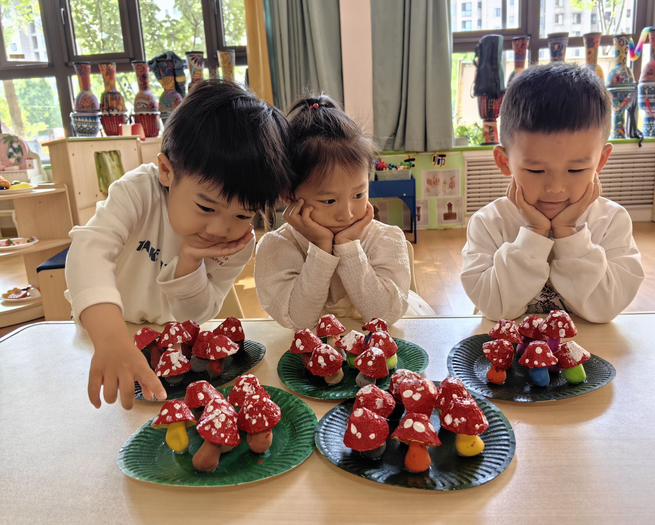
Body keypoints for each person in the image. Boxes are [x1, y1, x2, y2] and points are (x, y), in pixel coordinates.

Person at [65, 80, 292, 409]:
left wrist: (190, 262)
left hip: (174, 353)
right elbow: (89, 251)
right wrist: (110, 337)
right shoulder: (139, 192)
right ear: (167, 171)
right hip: (107, 334)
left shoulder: (238, 242)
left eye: (243, 214)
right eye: (206, 207)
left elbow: (196, 314)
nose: (220, 229)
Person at [461, 63, 644, 323]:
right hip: (511, 358)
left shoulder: (612, 222)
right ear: (504, 162)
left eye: (577, 169)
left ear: (601, 162)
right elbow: (495, 309)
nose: (555, 188)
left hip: (587, 355)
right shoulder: (489, 223)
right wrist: (534, 233)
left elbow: (605, 310)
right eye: (536, 171)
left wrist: (569, 232)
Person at [254, 95, 434, 329]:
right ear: (289, 195)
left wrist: (348, 245)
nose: (347, 214)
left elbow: (382, 317)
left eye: (358, 195)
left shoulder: (386, 238)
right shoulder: (277, 247)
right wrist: (320, 247)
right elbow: (300, 320)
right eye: (329, 200)